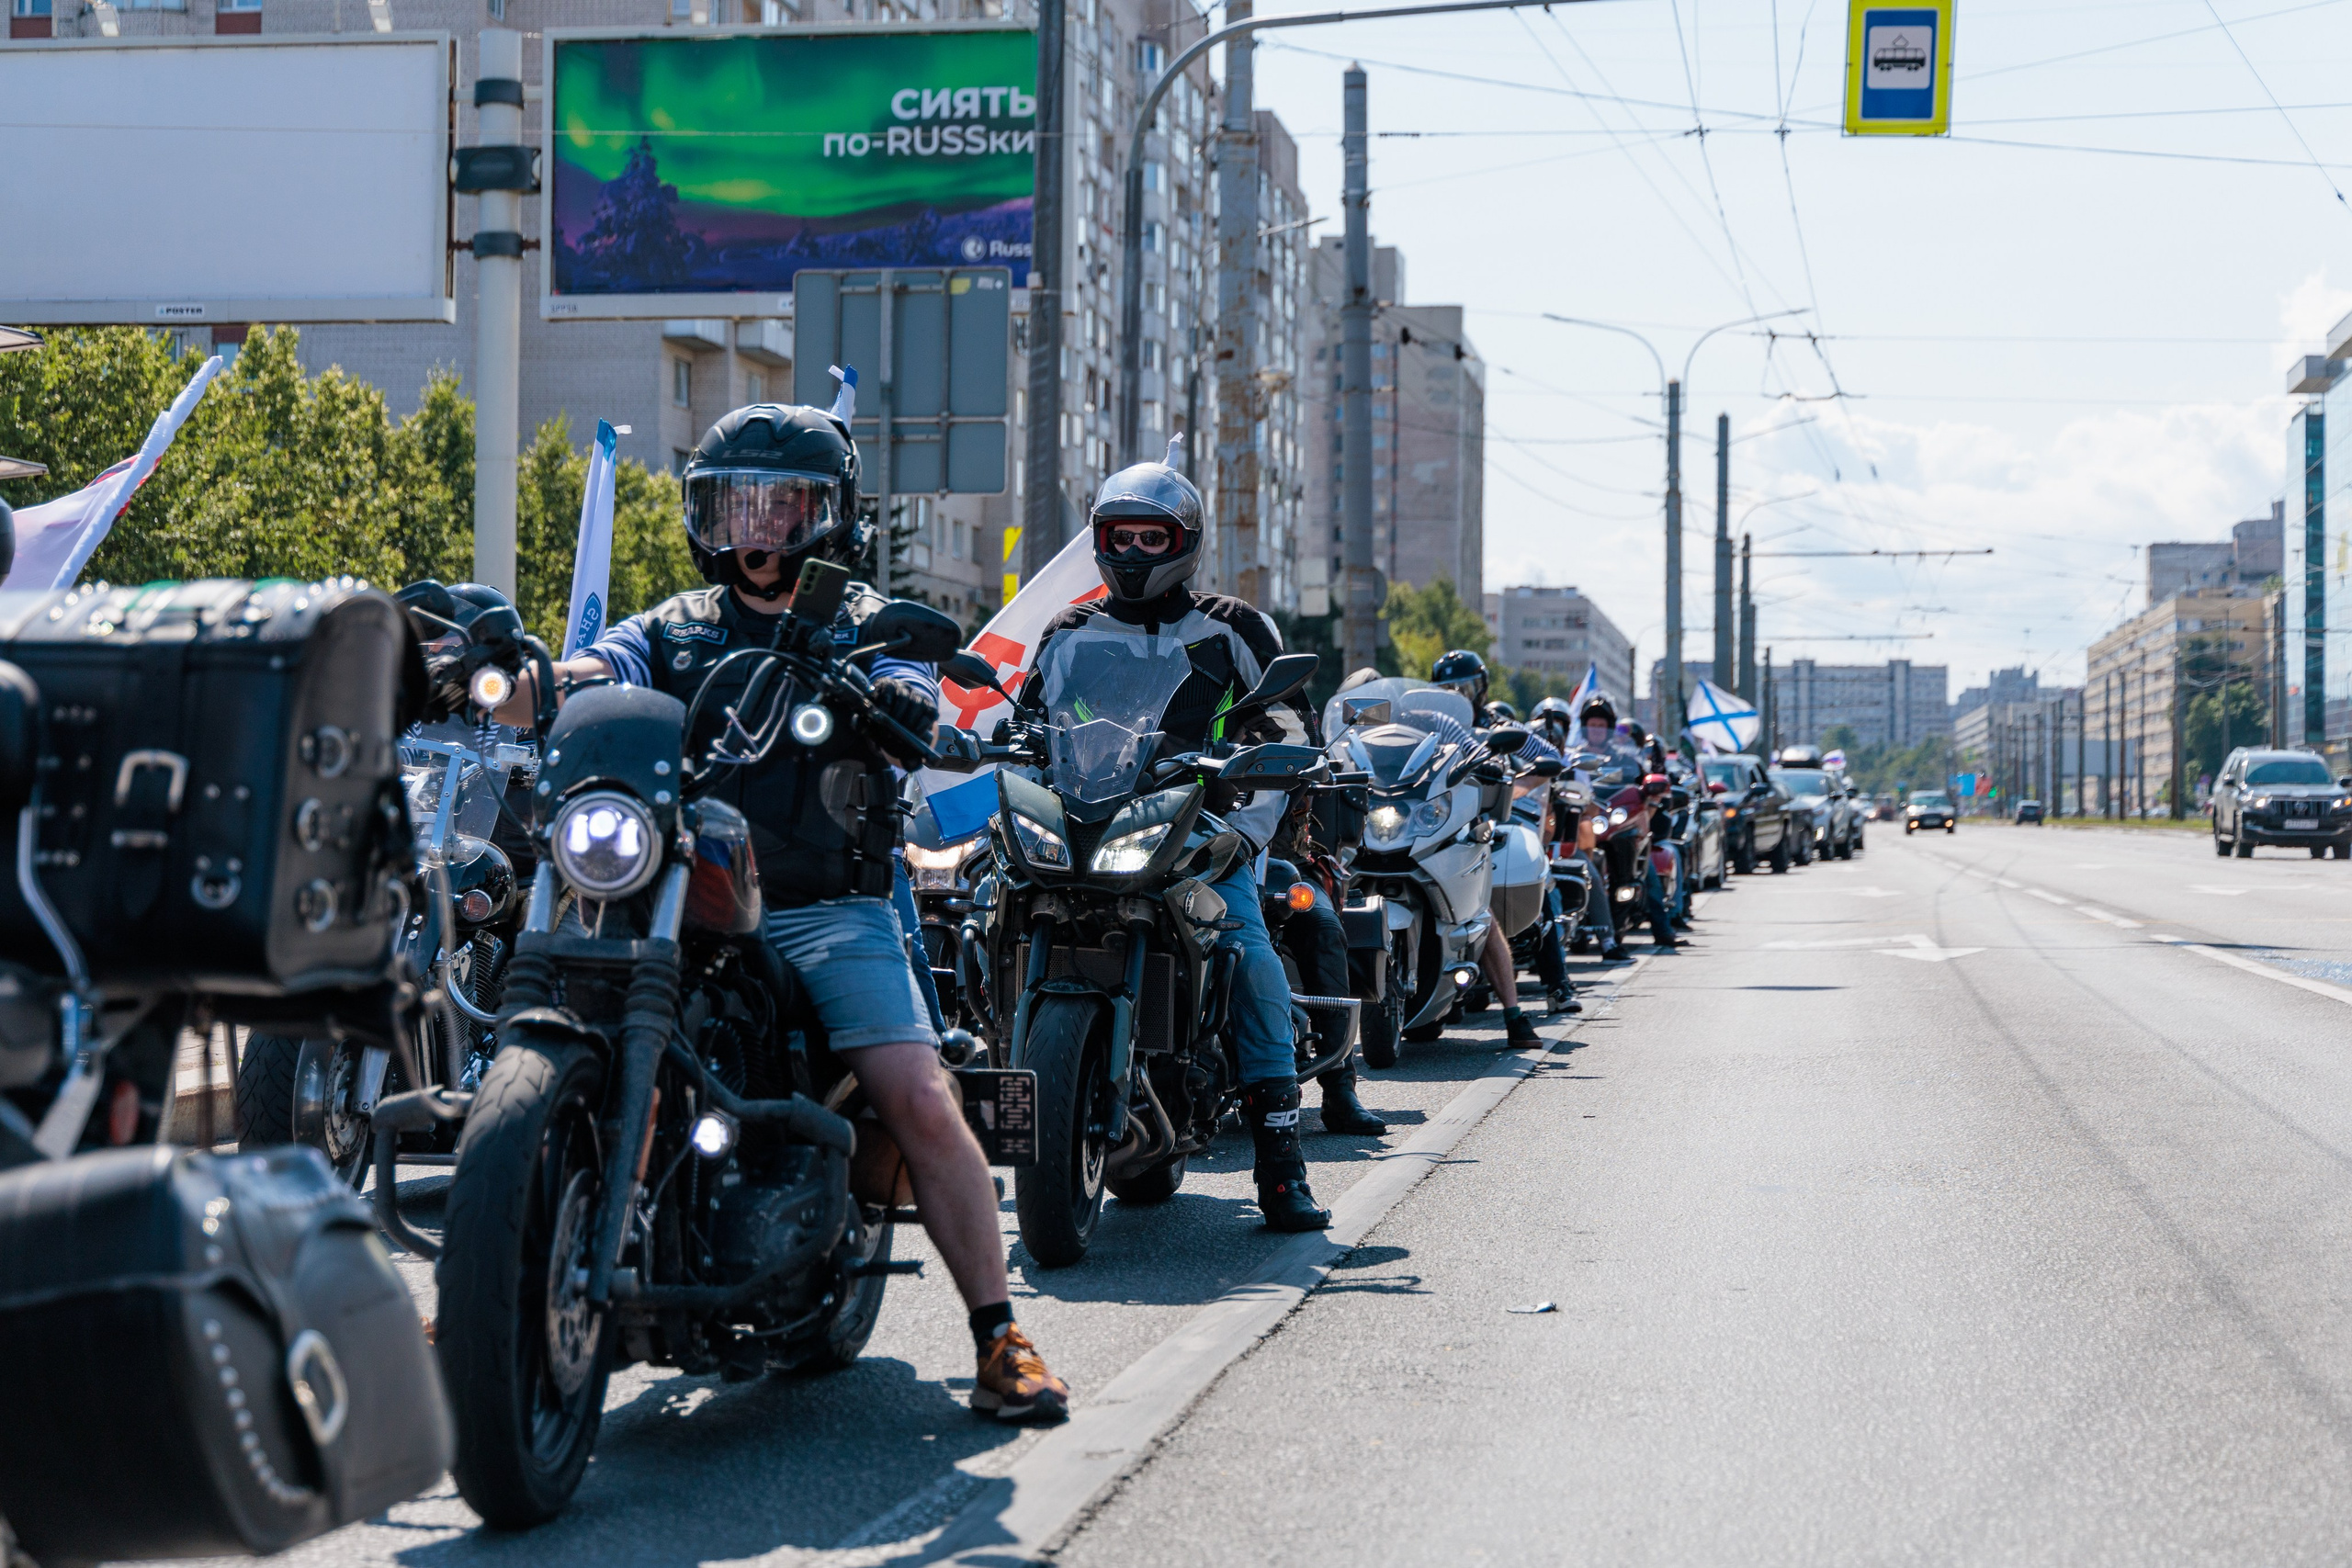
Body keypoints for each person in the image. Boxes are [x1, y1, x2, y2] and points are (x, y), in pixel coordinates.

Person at [490, 399, 1069, 1423]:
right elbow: (597, 671)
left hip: (821, 905)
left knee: (920, 1095)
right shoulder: (667, 626)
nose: (757, 527)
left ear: (828, 513)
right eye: (735, 505)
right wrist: (524, 680)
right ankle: (488, 1289)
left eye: (781, 504)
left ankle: (998, 1332)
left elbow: (912, 692)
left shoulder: (862, 625)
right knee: (557, 1038)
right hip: (672, 898)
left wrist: (905, 701)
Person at [1018, 450, 1335, 1232]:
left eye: (1151, 539)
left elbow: (1292, 724)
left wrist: (1246, 822)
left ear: (1185, 542)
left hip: (1200, 829)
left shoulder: (1232, 628)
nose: (1131, 553)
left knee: (1251, 953)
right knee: (993, 903)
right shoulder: (1068, 632)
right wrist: (1007, 743)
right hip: (1086, 821)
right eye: (1118, 536)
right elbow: (1027, 725)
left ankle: (1280, 1160)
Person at [1426, 649, 1567, 1045]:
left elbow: (1550, 756)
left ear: (1480, 689)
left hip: (1479, 822)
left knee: (1490, 899)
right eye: (1447, 688)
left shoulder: (1495, 724)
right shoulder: (1430, 723)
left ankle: (1536, 997)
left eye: (1464, 687)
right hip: (1428, 823)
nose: (1456, 694)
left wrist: (1512, 789)